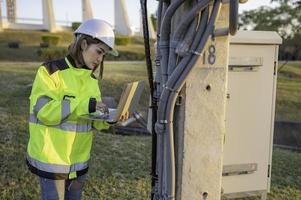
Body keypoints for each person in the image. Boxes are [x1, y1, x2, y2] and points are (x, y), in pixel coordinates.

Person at [26, 19, 127, 200]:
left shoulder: (92, 81)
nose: (100, 59)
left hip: (79, 163)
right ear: (83, 44)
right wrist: (84, 105)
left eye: (104, 55)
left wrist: (110, 119)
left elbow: (92, 118)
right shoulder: (50, 71)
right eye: (99, 51)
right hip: (52, 161)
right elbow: (45, 112)